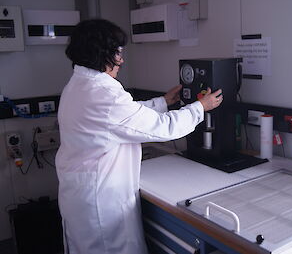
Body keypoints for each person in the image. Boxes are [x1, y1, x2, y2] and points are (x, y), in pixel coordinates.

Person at [55, 19, 223, 254]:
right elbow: (164, 128)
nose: (121, 60)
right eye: (118, 52)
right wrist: (200, 107)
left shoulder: (79, 84)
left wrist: (163, 102)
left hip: (80, 196)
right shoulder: (103, 92)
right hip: (102, 203)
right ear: (101, 53)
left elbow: (122, 117)